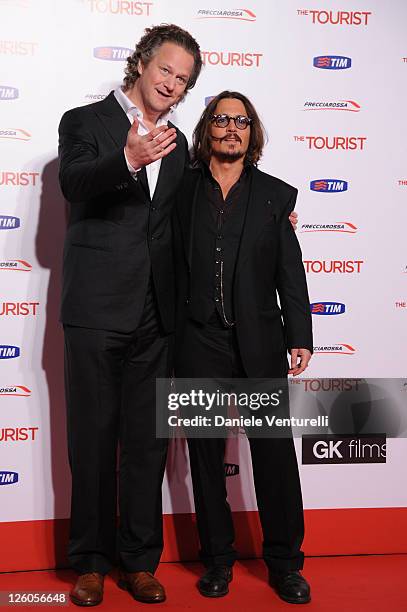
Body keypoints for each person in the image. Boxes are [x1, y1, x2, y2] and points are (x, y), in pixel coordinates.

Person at [58, 24, 202, 606]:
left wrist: (270, 218)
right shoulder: (84, 121)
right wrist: (126, 157)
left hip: (155, 317)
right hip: (95, 309)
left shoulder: (181, 144)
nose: (172, 84)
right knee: (92, 440)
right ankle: (90, 561)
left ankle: (139, 561)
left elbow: (186, 219)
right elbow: (72, 182)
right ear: (142, 63)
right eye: (166, 69)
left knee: (147, 443)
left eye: (183, 80)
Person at [172, 91, 313, 604]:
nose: (232, 128)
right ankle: (218, 561)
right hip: (195, 341)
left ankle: (286, 564)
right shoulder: (179, 188)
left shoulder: (277, 196)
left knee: (274, 458)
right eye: (223, 119)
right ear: (208, 127)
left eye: (243, 121)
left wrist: (300, 335)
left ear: (252, 133)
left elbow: (288, 273)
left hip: (260, 343)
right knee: (205, 460)